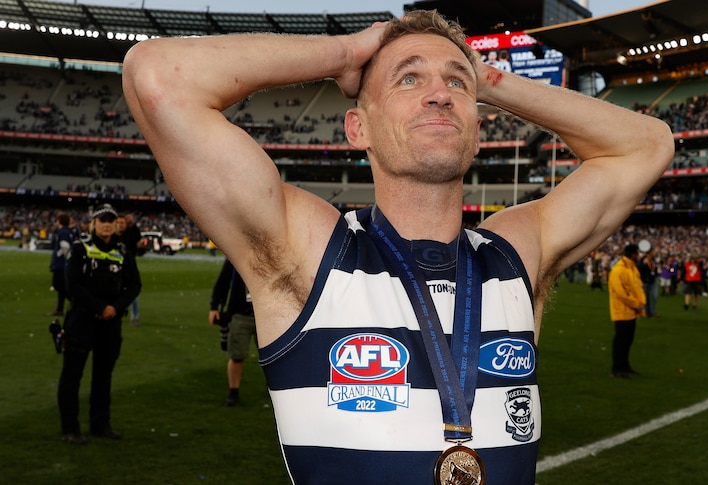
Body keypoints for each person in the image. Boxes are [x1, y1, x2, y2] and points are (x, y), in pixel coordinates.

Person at [122, 10, 673, 483]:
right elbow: (158, 79)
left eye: (456, 85)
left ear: (479, 128)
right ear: (357, 128)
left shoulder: (515, 253)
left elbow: (648, 146)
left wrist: (489, 79)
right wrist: (346, 53)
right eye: (409, 80)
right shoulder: (309, 250)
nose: (439, 93)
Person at [57, 204, 142, 445]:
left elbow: (135, 285)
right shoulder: (80, 248)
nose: (106, 224)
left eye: (110, 220)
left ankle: (100, 424)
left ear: (116, 225)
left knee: (103, 377)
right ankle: (70, 428)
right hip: (81, 321)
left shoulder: (124, 251)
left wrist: (114, 308)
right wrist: (99, 308)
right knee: (72, 376)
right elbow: (71, 284)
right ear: (93, 224)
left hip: (111, 323)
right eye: (102, 220)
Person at [208, 258, 256, 407]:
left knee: (272, 359)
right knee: (236, 356)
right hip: (240, 313)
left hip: (266, 315)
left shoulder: (269, 249)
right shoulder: (236, 252)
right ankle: (233, 391)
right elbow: (224, 279)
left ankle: (275, 390)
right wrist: (214, 306)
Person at [608, 244, 647, 378]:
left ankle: (624, 365)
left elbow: (638, 287)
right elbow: (621, 293)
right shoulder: (618, 270)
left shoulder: (632, 268)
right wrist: (637, 304)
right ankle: (616, 368)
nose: (638, 256)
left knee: (627, 340)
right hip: (622, 311)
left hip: (631, 311)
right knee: (621, 341)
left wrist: (642, 302)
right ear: (632, 254)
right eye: (637, 253)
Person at [116, 213, 142, 326]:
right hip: (115, 267)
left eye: (122, 222)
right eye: (118, 222)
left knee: (132, 293)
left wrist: (133, 224)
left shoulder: (130, 234)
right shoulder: (112, 236)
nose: (120, 225)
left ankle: (134, 317)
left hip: (128, 267)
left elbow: (138, 236)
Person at [49, 212, 74, 316]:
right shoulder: (68, 231)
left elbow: (65, 247)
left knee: (59, 285)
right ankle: (59, 309)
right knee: (62, 287)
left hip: (61, 264)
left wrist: (61, 256)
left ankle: (76, 302)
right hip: (63, 263)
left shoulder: (63, 232)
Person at [637, 245, 659, 317]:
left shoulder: (654, 260)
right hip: (644, 280)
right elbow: (639, 268)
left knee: (654, 295)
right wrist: (644, 264)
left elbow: (655, 269)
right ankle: (646, 312)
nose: (654, 253)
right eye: (653, 251)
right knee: (645, 297)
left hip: (652, 280)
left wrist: (655, 269)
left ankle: (653, 311)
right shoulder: (642, 260)